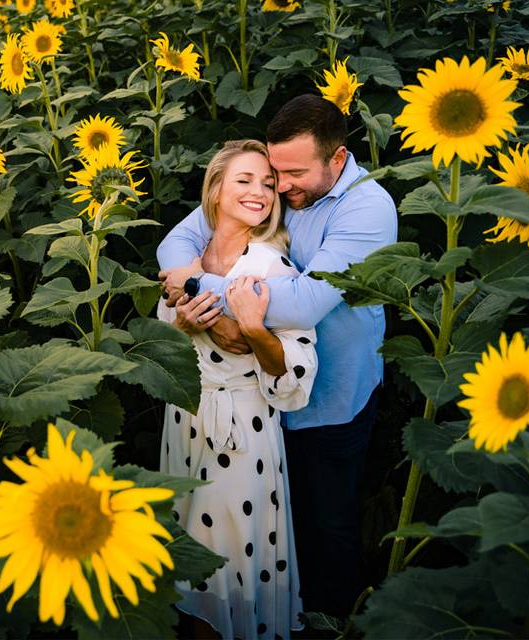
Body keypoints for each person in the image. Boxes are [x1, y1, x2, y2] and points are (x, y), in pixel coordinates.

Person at [157, 94, 397, 619]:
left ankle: (334, 623)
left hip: (330, 395)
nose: (279, 187)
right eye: (273, 173)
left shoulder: (368, 209)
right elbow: (180, 240)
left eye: (290, 175)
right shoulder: (286, 186)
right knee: (272, 526)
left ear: (336, 160)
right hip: (259, 402)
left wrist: (195, 286)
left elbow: (303, 302)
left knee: (326, 526)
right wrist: (192, 286)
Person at [158, 139, 317, 640]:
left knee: (232, 553)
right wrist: (184, 325)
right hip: (184, 418)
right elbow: (159, 345)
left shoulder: (270, 267)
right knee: (185, 545)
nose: (260, 192)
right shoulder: (184, 262)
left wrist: (253, 331)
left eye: (268, 184)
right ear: (217, 188)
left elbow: (296, 374)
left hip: (242, 431)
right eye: (245, 180)